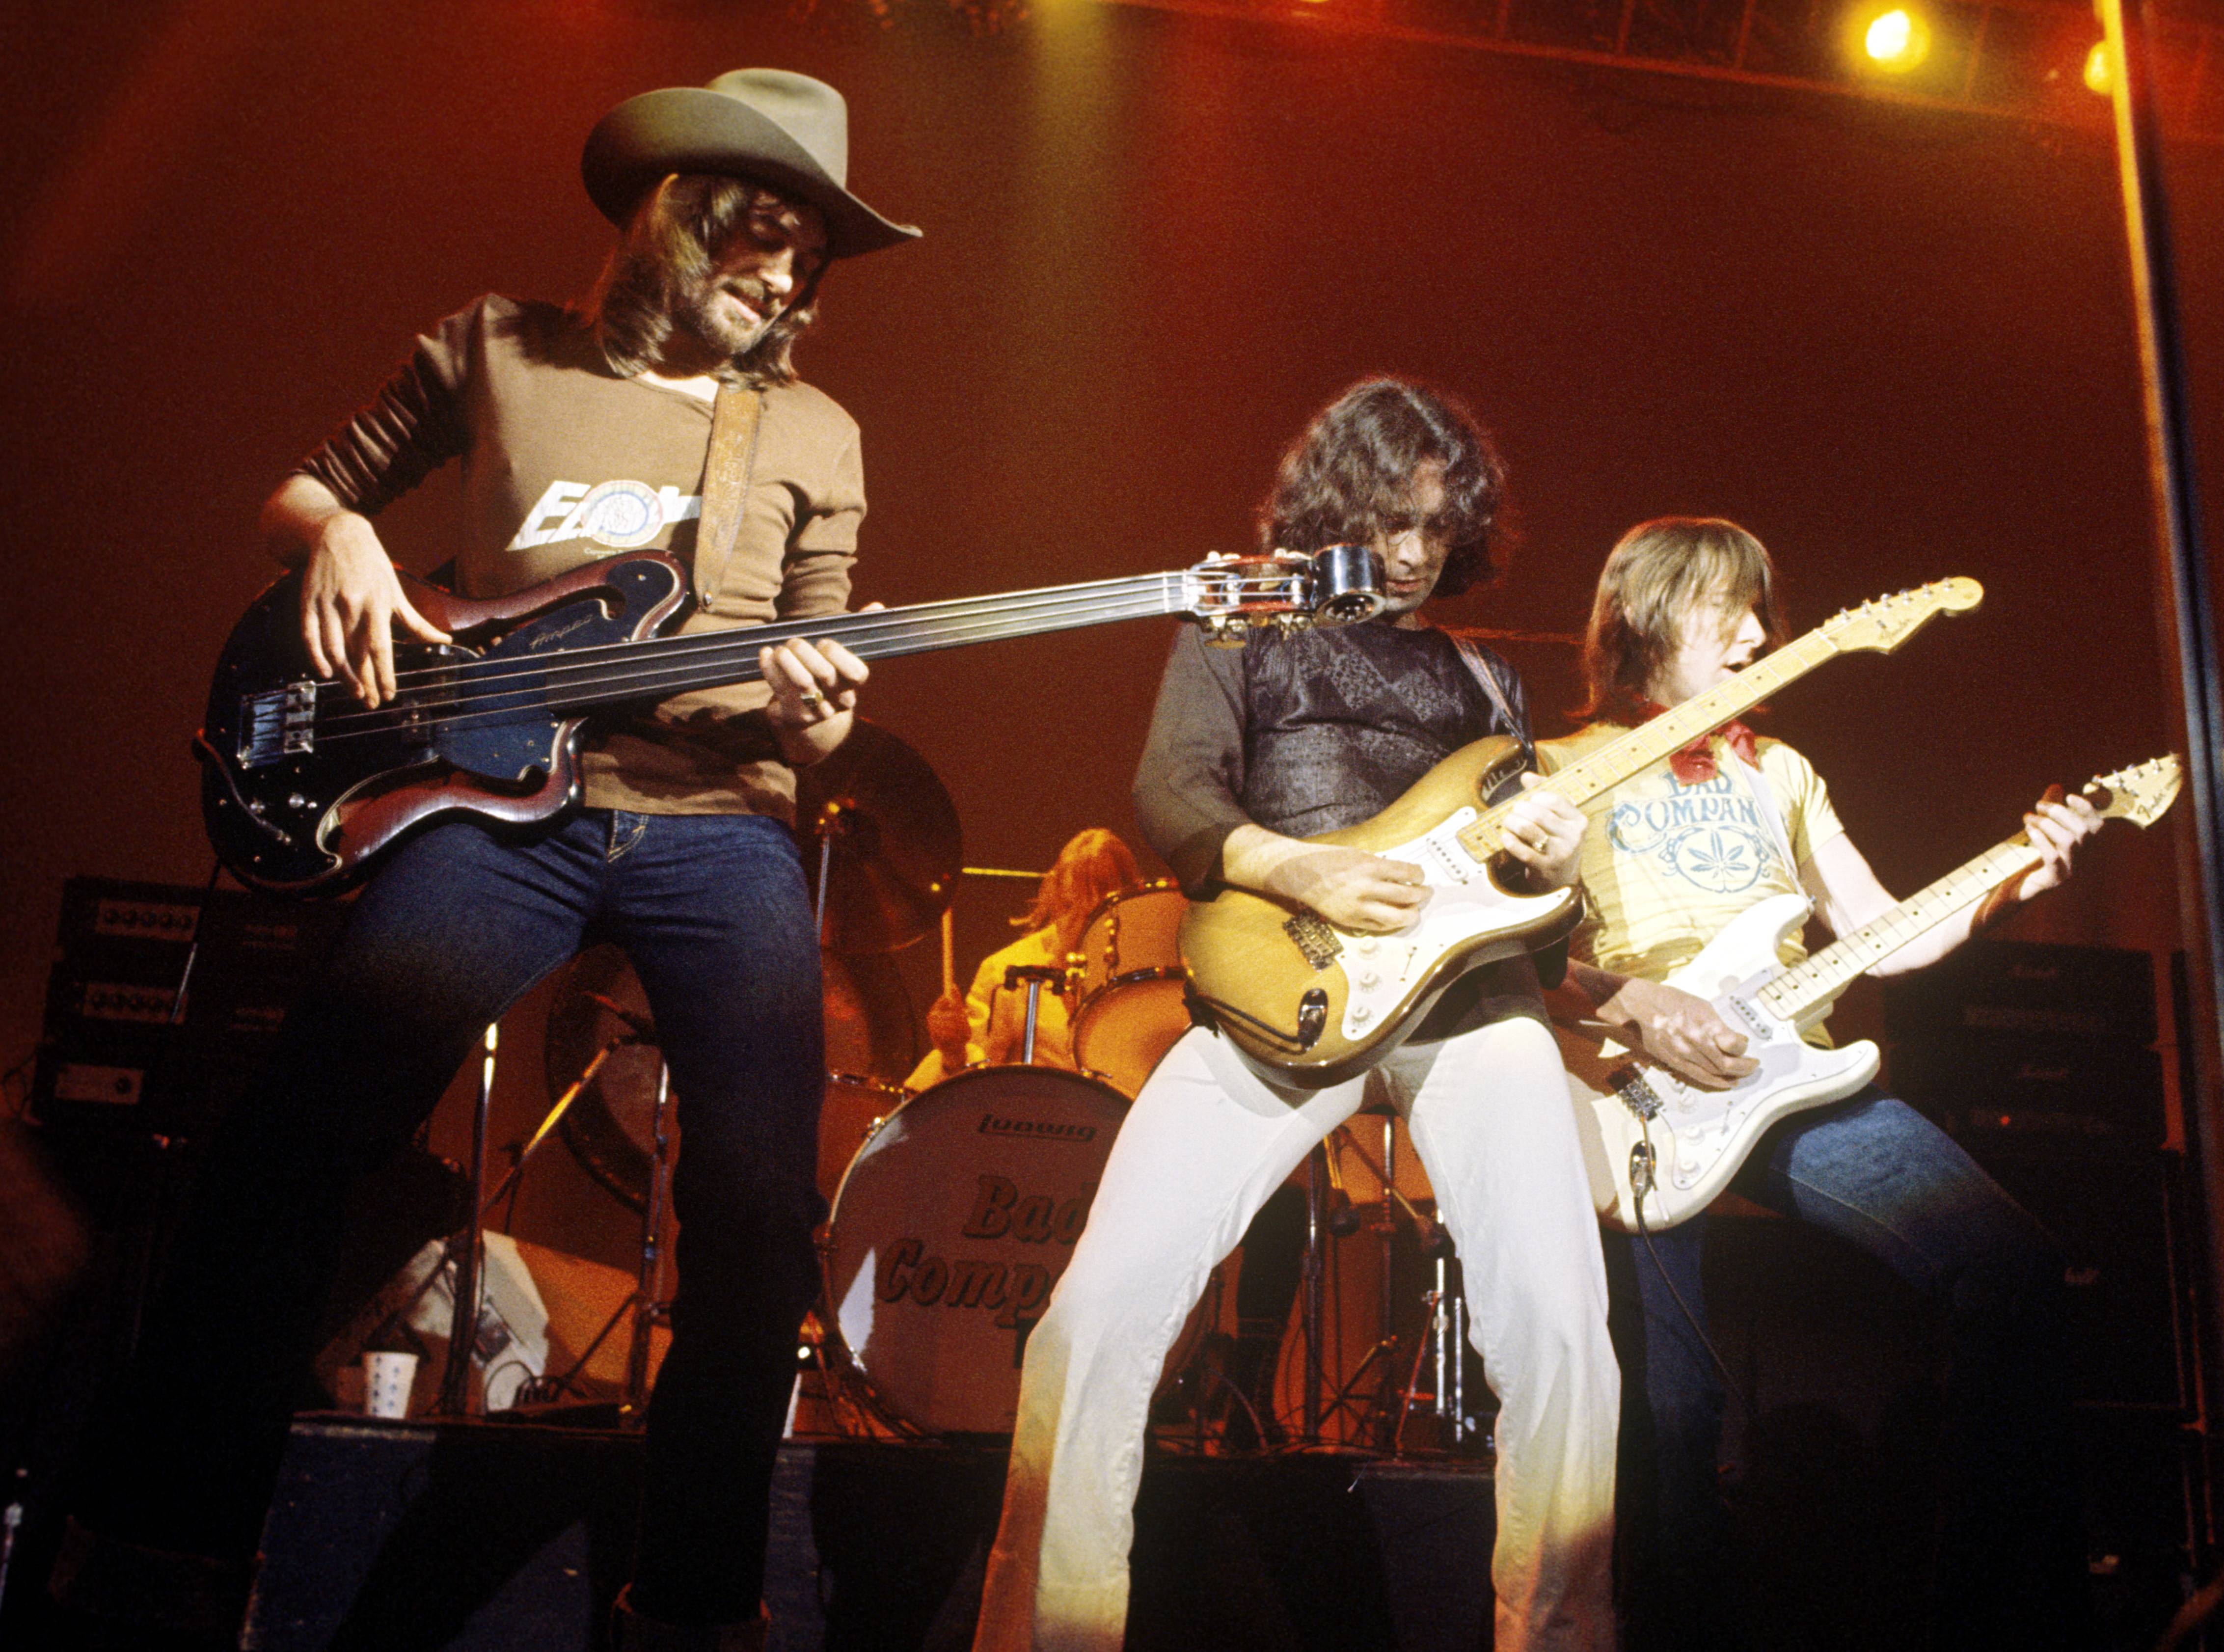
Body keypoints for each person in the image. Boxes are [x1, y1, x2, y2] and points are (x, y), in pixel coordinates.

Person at [53, 70, 915, 1652]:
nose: (790, 280)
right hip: (487, 805)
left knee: (754, 1212)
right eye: (764, 239)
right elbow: (306, 487)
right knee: (295, 1140)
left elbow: (822, 718)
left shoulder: (812, 430)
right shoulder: (501, 346)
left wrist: (823, 713)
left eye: (810, 258)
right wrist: (342, 532)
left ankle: (693, 1595)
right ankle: (156, 1540)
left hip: (718, 822)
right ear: (682, 216)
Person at [973, 378, 1619, 1652]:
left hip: (1469, 1000)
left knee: (1560, 1326)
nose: (1415, 554)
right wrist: (1298, 865)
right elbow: (1173, 789)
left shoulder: (1488, 679)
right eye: (1392, 521)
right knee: (1089, 1320)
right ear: (1333, 505)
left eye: (1440, 529)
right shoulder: (1242, 623)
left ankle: (1558, 1637)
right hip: (1287, 979)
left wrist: (1555, 860)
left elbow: (1544, 916)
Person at [1540, 518, 2100, 1652]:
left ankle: (1982, 1618)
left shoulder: (1781, 770)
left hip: (1792, 1076)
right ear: (1645, 615)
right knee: (1671, 1411)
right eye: (1725, 608)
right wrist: (1625, 1002)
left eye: (1762, 610)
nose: (1756, 631)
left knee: (2011, 1270)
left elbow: (1883, 938)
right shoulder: (1559, 772)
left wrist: (2012, 877)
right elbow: (1513, 958)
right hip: (1629, 1095)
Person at [907, 828, 1147, 1087]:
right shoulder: (1007, 970)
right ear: (1056, 895)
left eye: (1096, 913)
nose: (1080, 924)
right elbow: (974, 1081)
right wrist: (954, 1053)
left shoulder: (1143, 970)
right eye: (1071, 907)